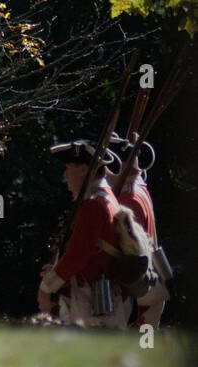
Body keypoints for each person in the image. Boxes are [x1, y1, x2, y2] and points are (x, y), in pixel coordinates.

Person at [37, 140, 131, 328]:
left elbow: (76, 257)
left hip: (90, 302)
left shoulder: (93, 205)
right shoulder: (104, 198)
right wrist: (57, 269)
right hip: (96, 297)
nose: (65, 175)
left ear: (83, 169)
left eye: (68, 168)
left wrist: (46, 289)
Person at [110, 133, 168, 329]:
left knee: (142, 344)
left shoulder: (128, 200)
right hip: (151, 282)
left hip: (139, 286)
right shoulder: (140, 188)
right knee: (146, 343)